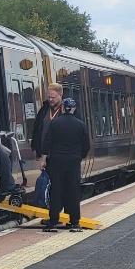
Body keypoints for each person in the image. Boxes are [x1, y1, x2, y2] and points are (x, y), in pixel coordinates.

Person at [39, 97, 90, 232]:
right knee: (73, 191)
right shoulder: (80, 124)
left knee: (56, 190)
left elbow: (47, 143)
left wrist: (43, 159)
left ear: (62, 108)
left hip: (57, 161)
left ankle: (53, 223)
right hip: (73, 162)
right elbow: (86, 145)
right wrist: (79, 156)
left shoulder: (55, 123)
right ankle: (74, 223)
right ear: (74, 109)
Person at [31, 82, 64, 159]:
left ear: (60, 95)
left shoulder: (68, 110)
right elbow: (36, 128)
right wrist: (34, 147)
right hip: (45, 156)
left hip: (61, 155)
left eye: (53, 97)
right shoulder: (44, 110)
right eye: (49, 97)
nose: (50, 99)